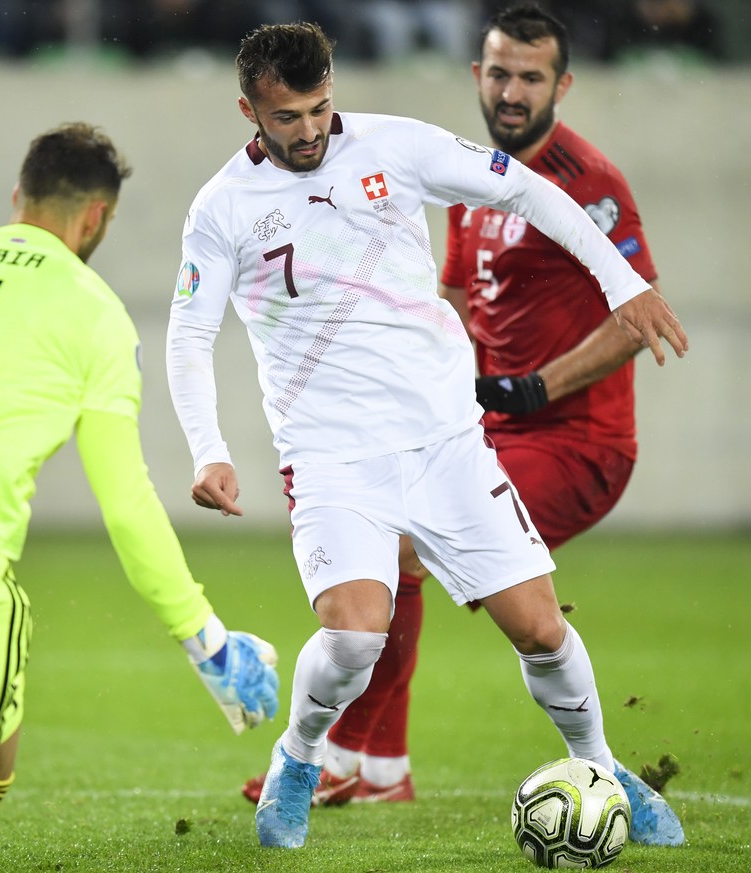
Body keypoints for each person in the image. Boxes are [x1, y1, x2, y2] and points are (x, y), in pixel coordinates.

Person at [166, 21, 687, 850]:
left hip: (446, 441)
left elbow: (523, 187)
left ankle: (598, 764)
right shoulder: (221, 207)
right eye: (286, 118)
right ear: (248, 111)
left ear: (332, 89)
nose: (308, 132)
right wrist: (209, 448)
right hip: (332, 453)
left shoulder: (397, 147)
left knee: (540, 628)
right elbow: (189, 336)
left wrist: (620, 282)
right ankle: (300, 755)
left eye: (318, 109)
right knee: (350, 638)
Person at [0, 122, 279, 825]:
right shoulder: (97, 316)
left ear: (18, 195)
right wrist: (205, 638)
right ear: (98, 217)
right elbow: (126, 502)